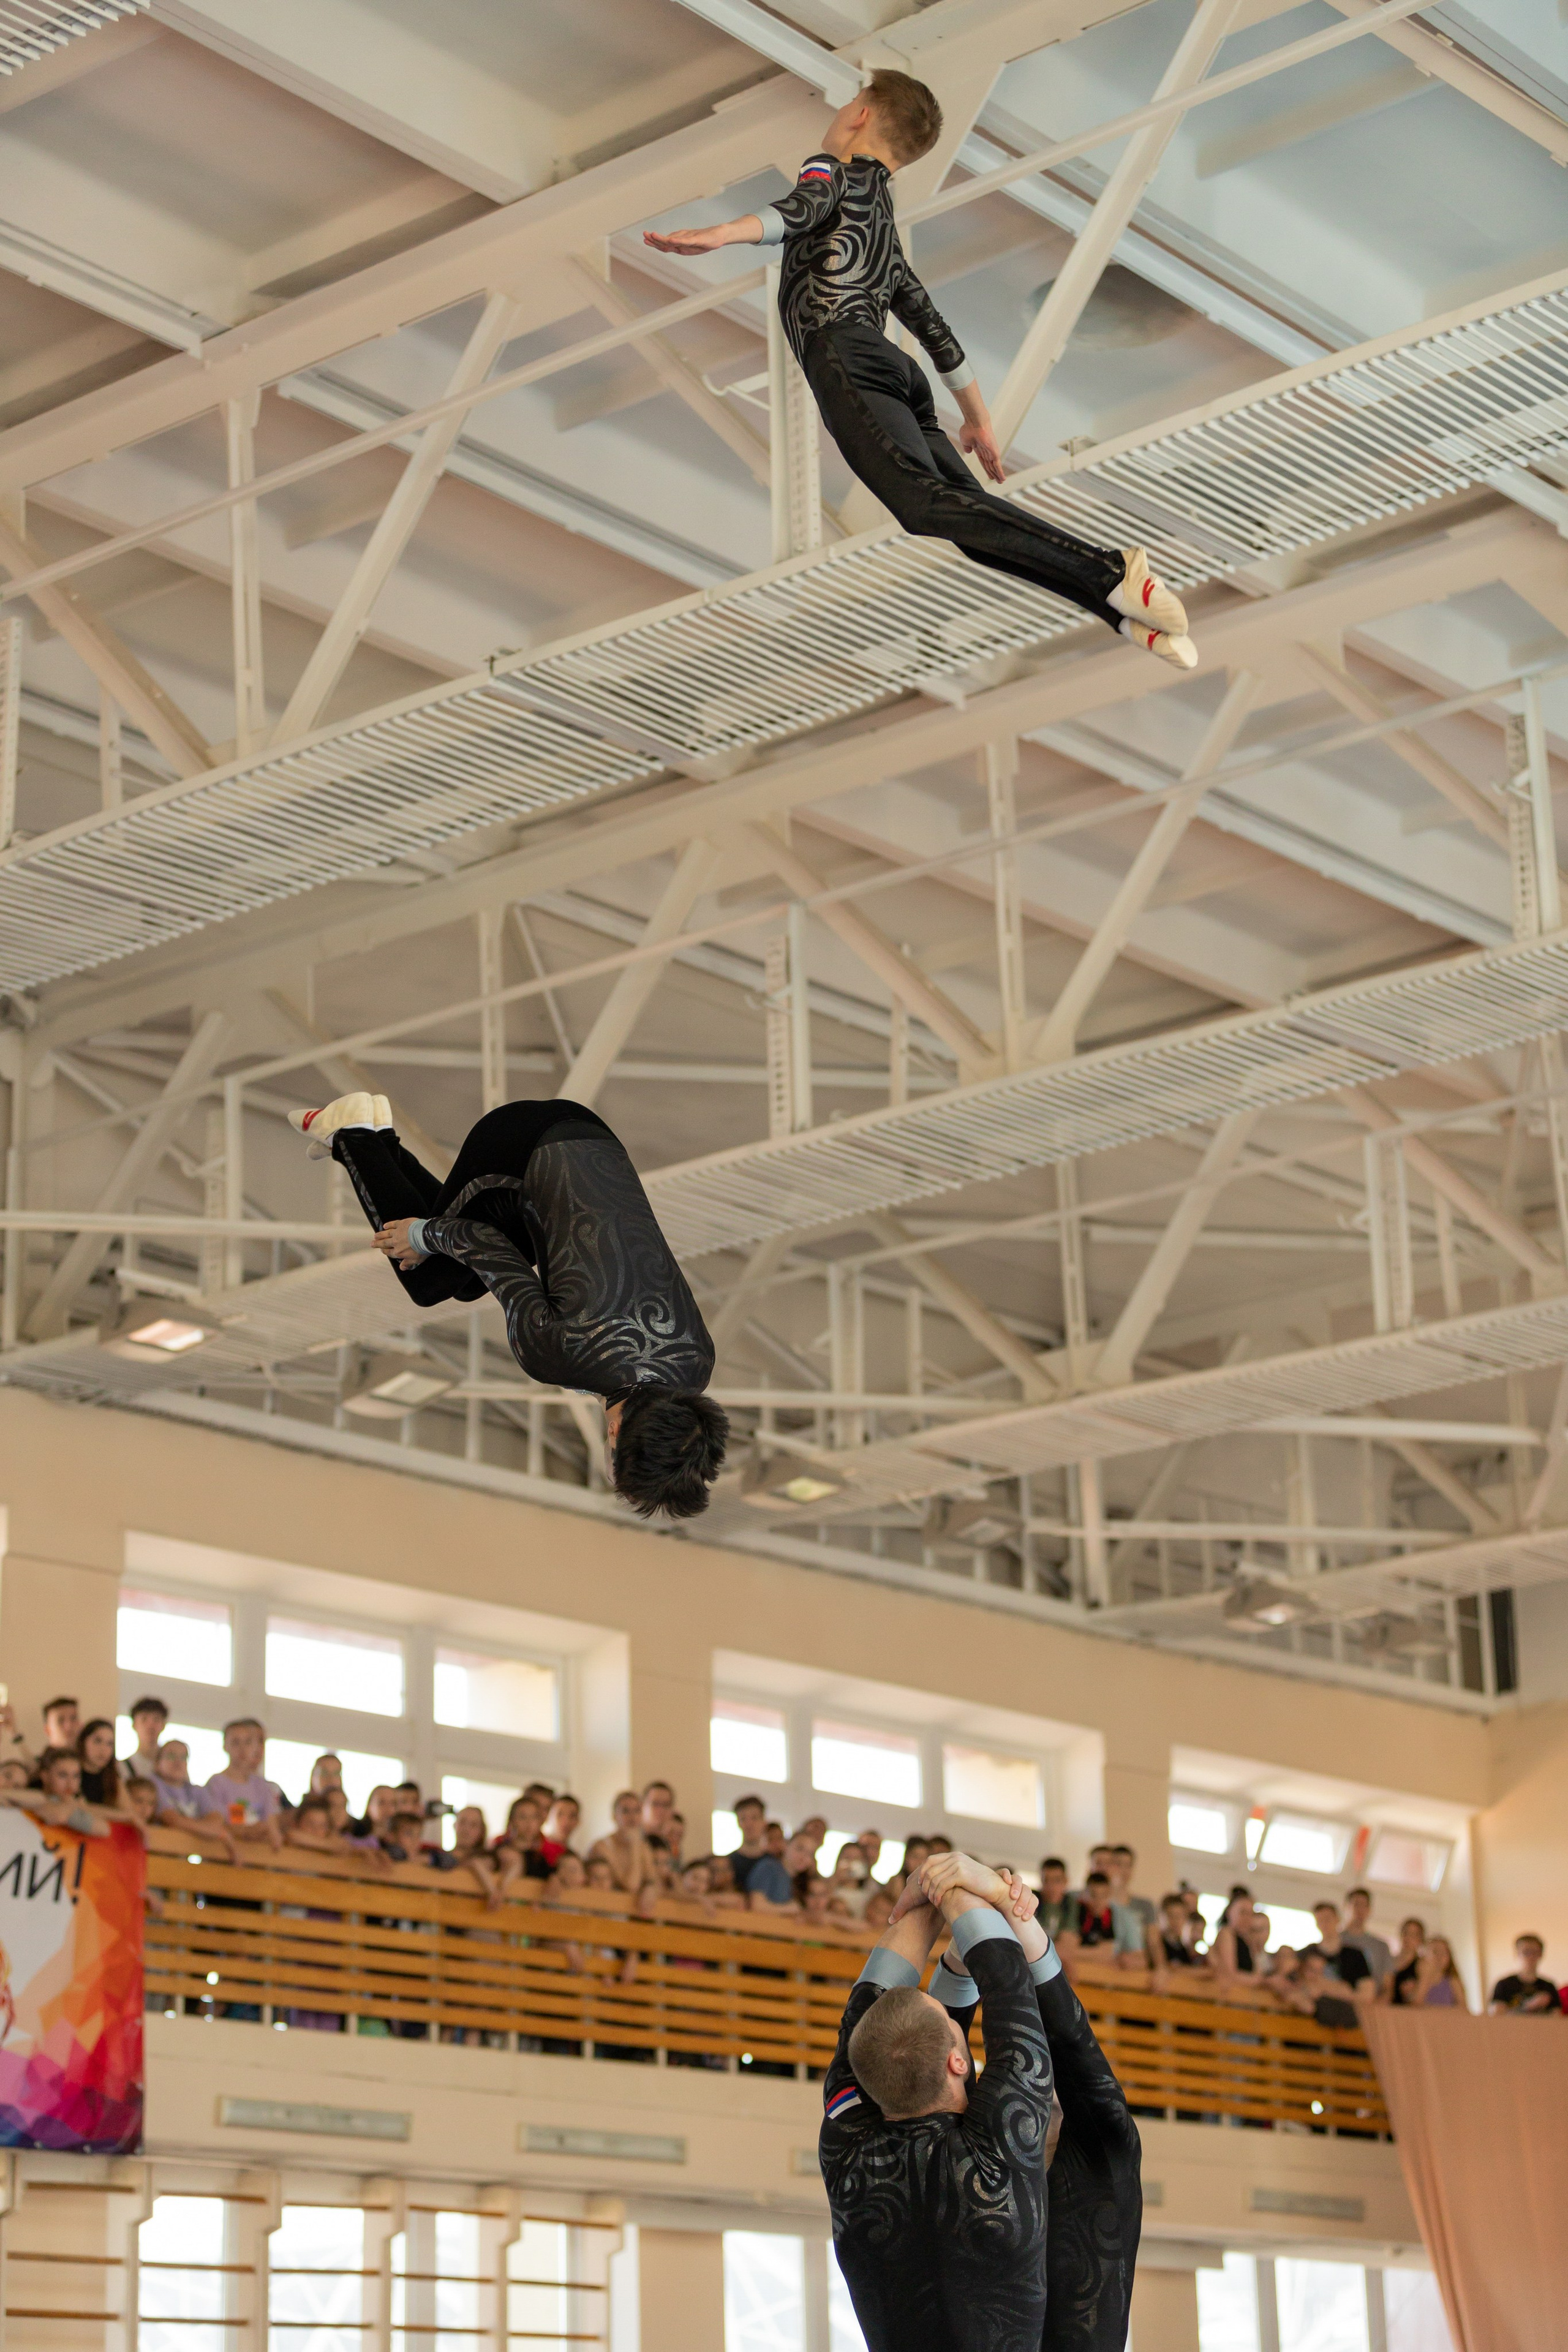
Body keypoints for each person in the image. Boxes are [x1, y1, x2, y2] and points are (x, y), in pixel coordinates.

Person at [644, 73, 1196, 675]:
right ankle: (1117, 611)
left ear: (860, 115)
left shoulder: (832, 170)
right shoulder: (882, 224)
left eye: (851, 101)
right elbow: (933, 327)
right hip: (894, 374)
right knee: (965, 523)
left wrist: (721, 234)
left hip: (846, 355)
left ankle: (1111, 572)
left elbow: (802, 208)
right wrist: (977, 420)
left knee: (919, 504)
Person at [288, 1091, 728, 1519]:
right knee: (428, 1279)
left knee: (465, 1283)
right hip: (521, 1144)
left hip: (594, 1140)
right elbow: (483, 1241)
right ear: (614, 1433)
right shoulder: (558, 1357)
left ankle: (378, 1138)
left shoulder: (698, 1365)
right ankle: (353, 1135)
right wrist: (419, 1235)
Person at [819, 1847, 1055, 2350]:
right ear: (957, 2062)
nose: (956, 2013)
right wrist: (947, 1882)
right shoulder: (843, 2141)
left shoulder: (848, 2151)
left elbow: (1008, 1985)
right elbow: (1008, 1984)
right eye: (951, 2018)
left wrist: (955, 1889)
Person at [929, 1851, 1144, 2352]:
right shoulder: (971, 2161)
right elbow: (935, 2059)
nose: (1039, 2081)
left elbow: (1072, 2048)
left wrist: (981, 1922)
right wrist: (989, 1919)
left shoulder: (1103, 2162)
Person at [200, 1719, 284, 1849]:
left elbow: (272, 1828)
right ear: (225, 1746)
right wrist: (247, 1831)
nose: (242, 1749)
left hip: (258, 1852)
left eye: (248, 1742)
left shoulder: (262, 1786)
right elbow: (216, 1823)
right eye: (236, 1742)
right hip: (223, 1852)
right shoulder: (217, 1783)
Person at [726, 1795, 793, 1904]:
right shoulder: (727, 1863)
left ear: (764, 1822)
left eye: (754, 1818)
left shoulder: (775, 1865)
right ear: (738, 1823)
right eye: (743, 1819)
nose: (749, 1824)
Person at [1310, 1901, 1374, 2002]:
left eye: (1328, 1919)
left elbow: (1367, 1994)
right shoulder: (1307, 1954)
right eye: (1320, 1920)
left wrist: (1341, 1992)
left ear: (1338, 1919)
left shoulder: (1356, 1956)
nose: (1325, 1924)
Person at [1490, 1932, 1561, 2013]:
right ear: (1517, 1954)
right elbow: (1497, 2016)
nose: (1531, 1957)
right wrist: (1530, 2006)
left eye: (1535, 1952)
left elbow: (1557, 2016)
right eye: (1526, 1952)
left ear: (1541, 1954)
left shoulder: (1549, 1987)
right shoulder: (1504, 1985)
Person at [1341, 1888, 1393, 1986]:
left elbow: (1387, 1985)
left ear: (1369, 1910)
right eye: (1356, 1904)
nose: (1360, 1910)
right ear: (1346, 1907)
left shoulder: (1381, 1947)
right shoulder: (1335, 1941)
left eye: (1364, 1906)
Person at [121, 1697, 169, 1785]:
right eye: (144, 1719)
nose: (150, 1726)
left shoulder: (174, 1764)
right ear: (134, 1725)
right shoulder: (123, 1767)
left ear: (163, 1725)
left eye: (156, 1719)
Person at [75, 1719, 122, 1809]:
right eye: (98, 1741)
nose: (104, 1749)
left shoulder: (112, 1777)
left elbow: (130, 1812)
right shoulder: (70, 1772)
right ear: (83, 1741)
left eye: (110, 1744)